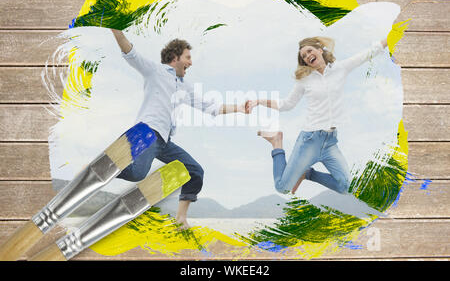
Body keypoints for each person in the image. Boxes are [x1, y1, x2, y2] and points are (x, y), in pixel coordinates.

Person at [111, 29, 248, 229]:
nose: (191, 62)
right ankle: (105, 165)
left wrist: (239, 108)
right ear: (175, 58)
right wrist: (116, 29)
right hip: (147, 132)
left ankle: (181, 218)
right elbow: (130, 53)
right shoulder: (155, 71)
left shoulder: (184, 87)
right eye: (188, 57)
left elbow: (212, 108)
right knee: (137, 174)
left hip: (164, 141)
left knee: (194, 171)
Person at [246, 36, 388, 195]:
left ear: (320, 50)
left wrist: (391, 37)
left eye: (309, 51)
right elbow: (287, 104)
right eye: (304, 56)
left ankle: (307, 173)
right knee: (282, 187)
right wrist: (259, 101)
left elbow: (367, 54)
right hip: (309, 141)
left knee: (345, 187)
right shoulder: (305, 80)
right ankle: (276, 142)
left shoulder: (340, 68)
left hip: (330, 142)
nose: (307, 56)